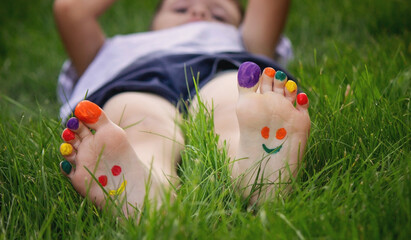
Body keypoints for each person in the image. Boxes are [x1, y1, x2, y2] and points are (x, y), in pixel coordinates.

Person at [54, 0, 310, 217]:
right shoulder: (116, 49)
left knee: (231, 108)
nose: (199, 11)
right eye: (180, 8)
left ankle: (258, 170)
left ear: (239, 26)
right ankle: (146, 186)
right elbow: (70, 9)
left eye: (218, 14)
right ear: (153, 23)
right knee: (141, 122)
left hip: (221, 66)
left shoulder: (242, 41)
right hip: (136, 79)